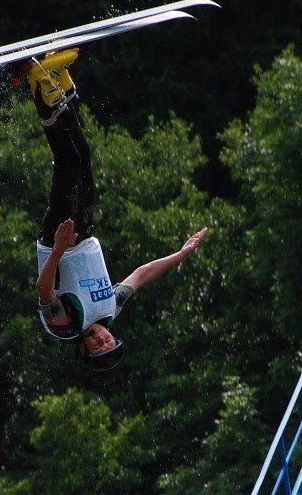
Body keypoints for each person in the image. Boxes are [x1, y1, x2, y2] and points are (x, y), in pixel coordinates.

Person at [22, 48, 208, 371]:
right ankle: (62, 88)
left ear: (83, 350)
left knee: (69, 164)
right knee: (82, 154)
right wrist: (181, 254)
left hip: (60, 237)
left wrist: (59, 249)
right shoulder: (110, 308)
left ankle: (38, 86)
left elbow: (43, 289)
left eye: (96, 347)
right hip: (83, 226)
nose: (101, 340)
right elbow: (141, 275)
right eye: (108, 341)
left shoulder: (66, 326)